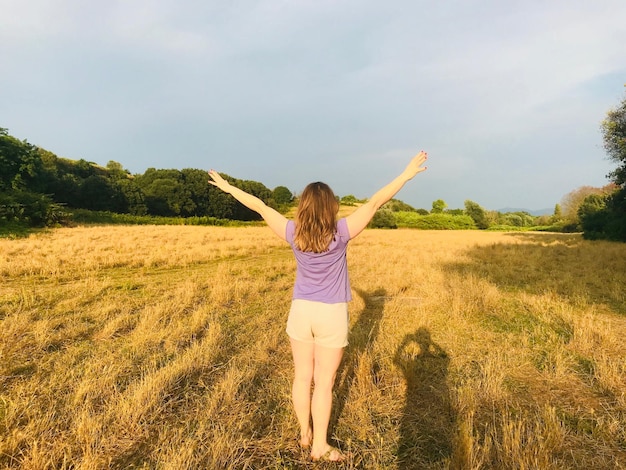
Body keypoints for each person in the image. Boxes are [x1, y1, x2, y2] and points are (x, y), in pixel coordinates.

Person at [208, 151, 428, 462]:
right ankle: (320, 445)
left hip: (301, 311)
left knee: (302, 376)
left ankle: (303, 433)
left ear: (303, 206)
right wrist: (406, 174)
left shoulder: (292, 232)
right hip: (331, 313)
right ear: (331, 206)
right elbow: (376, 202)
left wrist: (228, 188)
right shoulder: (341, 233)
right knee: (324, 383)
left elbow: (259, 205)